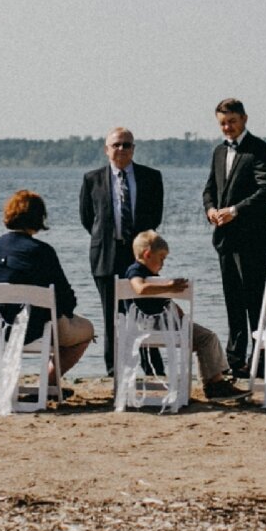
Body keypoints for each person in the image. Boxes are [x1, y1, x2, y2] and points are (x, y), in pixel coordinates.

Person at [116, 231, 245, 402]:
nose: (163, 263)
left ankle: (214, 382)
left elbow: (164, 303)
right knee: (207, 338)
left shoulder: (151, 277)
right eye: (161, 258)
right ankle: (214, 384)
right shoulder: (135, 271)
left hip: (156, 324)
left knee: (203, 338)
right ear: (147, 254)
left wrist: (177, 309)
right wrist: (168, 286)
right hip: (153, 325)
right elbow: (139, 288)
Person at [202, 97, 266, 377]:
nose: (227, 127)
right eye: (223, 123)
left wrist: (235, 211)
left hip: (253, 238)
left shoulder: (259, 149)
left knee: (256, 301)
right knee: (232, 301)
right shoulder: (218, 153)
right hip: (224, 239)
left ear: (244, 119)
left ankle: (261, 361)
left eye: (232, 122)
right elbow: (210, 188)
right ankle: (236, 361)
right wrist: (211, 209)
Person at [0, 188, 94, 382]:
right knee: (87, 329)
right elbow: (65, 296)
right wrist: (67, 312)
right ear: (39, 218)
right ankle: (48, 382)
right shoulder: (42, 251)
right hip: (34, 327)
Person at [79, 126, 163, 375]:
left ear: (133, 149)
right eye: (116, 145)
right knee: (112, 316)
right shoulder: (92, 179)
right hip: (106, 255)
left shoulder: (151, 177)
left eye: (126, 145)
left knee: (146, 312)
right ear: (107, 150)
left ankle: (153, 368)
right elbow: (88, 219)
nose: (121, 149)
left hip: (140, 257)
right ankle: (114, 369)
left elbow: (155, 216)